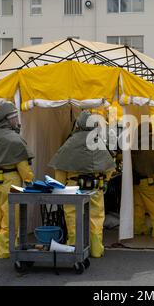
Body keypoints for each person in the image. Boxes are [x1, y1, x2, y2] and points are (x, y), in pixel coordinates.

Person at [49, 110, 115, 258]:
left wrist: (60, 188)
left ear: (77, 125)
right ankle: (96, 250)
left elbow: (60, 170)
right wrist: (104, 180)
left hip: (72, 189)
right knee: (96, 219)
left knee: (73, 220)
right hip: (95, 188)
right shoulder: (97, 142)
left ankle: (75, 249)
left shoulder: (69, 143)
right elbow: (109, 168)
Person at [0, 101, 34, 258]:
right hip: (9, 182)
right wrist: (29, 181)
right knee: (10, 216)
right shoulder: (13, 139)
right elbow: (23, 165)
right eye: (14, 117)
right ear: (7, 119)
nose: (16, 120)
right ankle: (5, 250)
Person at [131, 122, 154, 238]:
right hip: (148, 181)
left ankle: (139, 229)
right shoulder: (150, 146)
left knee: (138, 207)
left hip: (135, 181)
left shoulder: (134, 146)